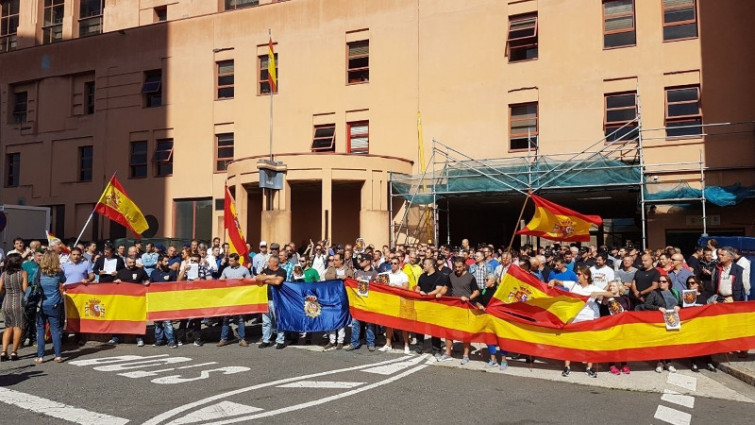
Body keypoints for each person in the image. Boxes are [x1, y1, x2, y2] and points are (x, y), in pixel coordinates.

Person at [549, 266, 618, 378]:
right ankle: (567, 366)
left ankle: (589, 368)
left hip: (587, 319)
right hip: (573, 318)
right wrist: (553, 281)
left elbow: (611, 294)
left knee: (588, 343)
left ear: (586, 276)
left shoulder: (592, 288)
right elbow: (558, 282)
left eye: (579, 274)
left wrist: (597, 294)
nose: (577, 275)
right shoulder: (573, 285)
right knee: (570, 343)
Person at [638, 275, 681, 373]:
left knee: (670, 342)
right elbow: (647, 305)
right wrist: (658, 308)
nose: (661, 283)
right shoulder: (654, 293)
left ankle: (669, 362)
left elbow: (681, 303)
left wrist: (678, 306)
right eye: (659, 281)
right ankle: (660, 362)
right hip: (660, 321)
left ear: (668, 283)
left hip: (672, 320)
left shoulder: (675, 292)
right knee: (662, 342)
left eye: (664, 281)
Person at [442, 257, 480, 365]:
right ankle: (448, 353)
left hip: (465, 307)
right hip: (454, 307)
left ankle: (466, 355)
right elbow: (446, 288)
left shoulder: (470, 277)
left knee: (465, 332)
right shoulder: (451, 275)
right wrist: (440, 294)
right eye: (455, 267)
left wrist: (468, 298)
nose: (457, 269)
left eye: (459, 267)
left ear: (464, 266)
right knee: (449, 330)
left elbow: (477, 292)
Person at [34, 251, 67, 364]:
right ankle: (58, 355)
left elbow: (34, 283)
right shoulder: (59, 272)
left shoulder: (39, 271)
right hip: (55, 303)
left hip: (41, 303)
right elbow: (64, 281)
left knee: (40, 329)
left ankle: (40, 356)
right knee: (55, 330)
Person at [111, 256, 151, 346]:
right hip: (123, 300)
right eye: (130, 263)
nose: (132, 264)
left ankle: (139, 338)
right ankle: (115, 338)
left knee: (137, 319)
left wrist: (147, 282)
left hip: (136, 300)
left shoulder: (140, 271)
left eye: (133, 262)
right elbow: (113, 284)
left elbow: (147, 279)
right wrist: (116, 281)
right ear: (126, 263)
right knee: (118, 319)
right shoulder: (121, 272)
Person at [471, 274, 508, 370]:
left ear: (493, 281)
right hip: (487, 319)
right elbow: (476, 300)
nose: (485, 281)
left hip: (499, 320)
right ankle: (493, 360)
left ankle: (504, 360)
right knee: (489, 339)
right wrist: (479, 305)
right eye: (485, 279)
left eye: (487, 280)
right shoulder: (484, 291)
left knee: (502, 340)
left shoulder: (500, 291)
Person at [414, 258, 448, 356]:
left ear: (431, 265)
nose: (423, 266)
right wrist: (417, 291)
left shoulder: (439, 276)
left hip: (433, 306)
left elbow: (438, 289)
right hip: (422, 305)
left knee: (434, 328)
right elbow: (418, 287)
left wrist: (427, 294)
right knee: (419, 327)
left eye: (425, 264)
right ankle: (419, 347)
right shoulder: (422, 276)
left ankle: (436, 349)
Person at [346, 253, 379, 351]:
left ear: (368, 261)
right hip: (358, 301)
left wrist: (368, 282)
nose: (359, 262)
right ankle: (354, 343)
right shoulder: (357, 272)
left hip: (369, 302)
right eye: (359, 260)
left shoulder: (374, 273)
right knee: (355, 322)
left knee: (370, 323)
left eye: (362, 260)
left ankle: (371, 343)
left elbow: (377, 287)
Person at [218, 253, 252, 347]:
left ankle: (242, 339)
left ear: (237, 260)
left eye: (232, 261)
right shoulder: (226, 269)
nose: (230, 262)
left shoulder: (244, 270)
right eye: (229, 260)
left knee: (241, 319)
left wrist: (244, 280)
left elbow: (250, 282)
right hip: (228, 298)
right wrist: (220, 280)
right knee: (226, 319)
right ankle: (223, 339)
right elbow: (221, 279)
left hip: (239, 297)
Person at [378, 257, 411, 354]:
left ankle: (406, 344)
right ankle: (388, 344)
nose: (393, 265)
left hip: (400, 302)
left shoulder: (403, 275)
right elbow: (378, 281)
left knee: (403, 324)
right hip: (389, 302)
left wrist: (395, 286)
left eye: (395, 263)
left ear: (399, 264)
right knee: (388, 324)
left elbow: (406, 287)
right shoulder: (387, 274)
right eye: (391, 263)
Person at [150, 255, 183, 348]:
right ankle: (159, 340)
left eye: (168, 261)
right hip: (156, 301)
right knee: (157, 322)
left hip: (167, 301)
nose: (168, 263)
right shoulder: (153, 273)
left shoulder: (171, 272)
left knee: (167, 322)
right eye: (165, 261)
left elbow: (175, 286)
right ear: (160, 262)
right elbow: (150, 285)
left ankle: (171, 340)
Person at [255, 255, 287, 349]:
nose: (268, 263)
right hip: (265, 299)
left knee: (278, 320)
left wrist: (266, 280)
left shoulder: (282, 271)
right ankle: (266, 340)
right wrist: (270, 277)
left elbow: (278, 282)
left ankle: (280, 340)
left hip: (277, 300)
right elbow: (258, 278)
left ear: (275, 263)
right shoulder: (266, 270)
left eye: (269, 262)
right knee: (266, 321)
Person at [322, 253, 353, 350]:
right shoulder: (331, 269)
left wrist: (346, 277)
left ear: (341, 261)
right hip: (332, 297)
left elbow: (351, 277)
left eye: (336, 260)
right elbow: (327, 277)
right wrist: (338, 277)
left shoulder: (348, 270)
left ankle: (340, 341)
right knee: (331, 318)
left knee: (341, 319)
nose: (333, 262)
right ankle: (332, 341)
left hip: (343, 298)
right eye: (333, 260)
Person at [1, 254, 28, 361]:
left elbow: (0, 289)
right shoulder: (23, 273)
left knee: (8, 327)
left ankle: (3, 352)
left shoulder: (3, 274)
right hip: (18, 302)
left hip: (6, 302)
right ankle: (14, 352)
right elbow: (25, 289)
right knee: (18, 327)